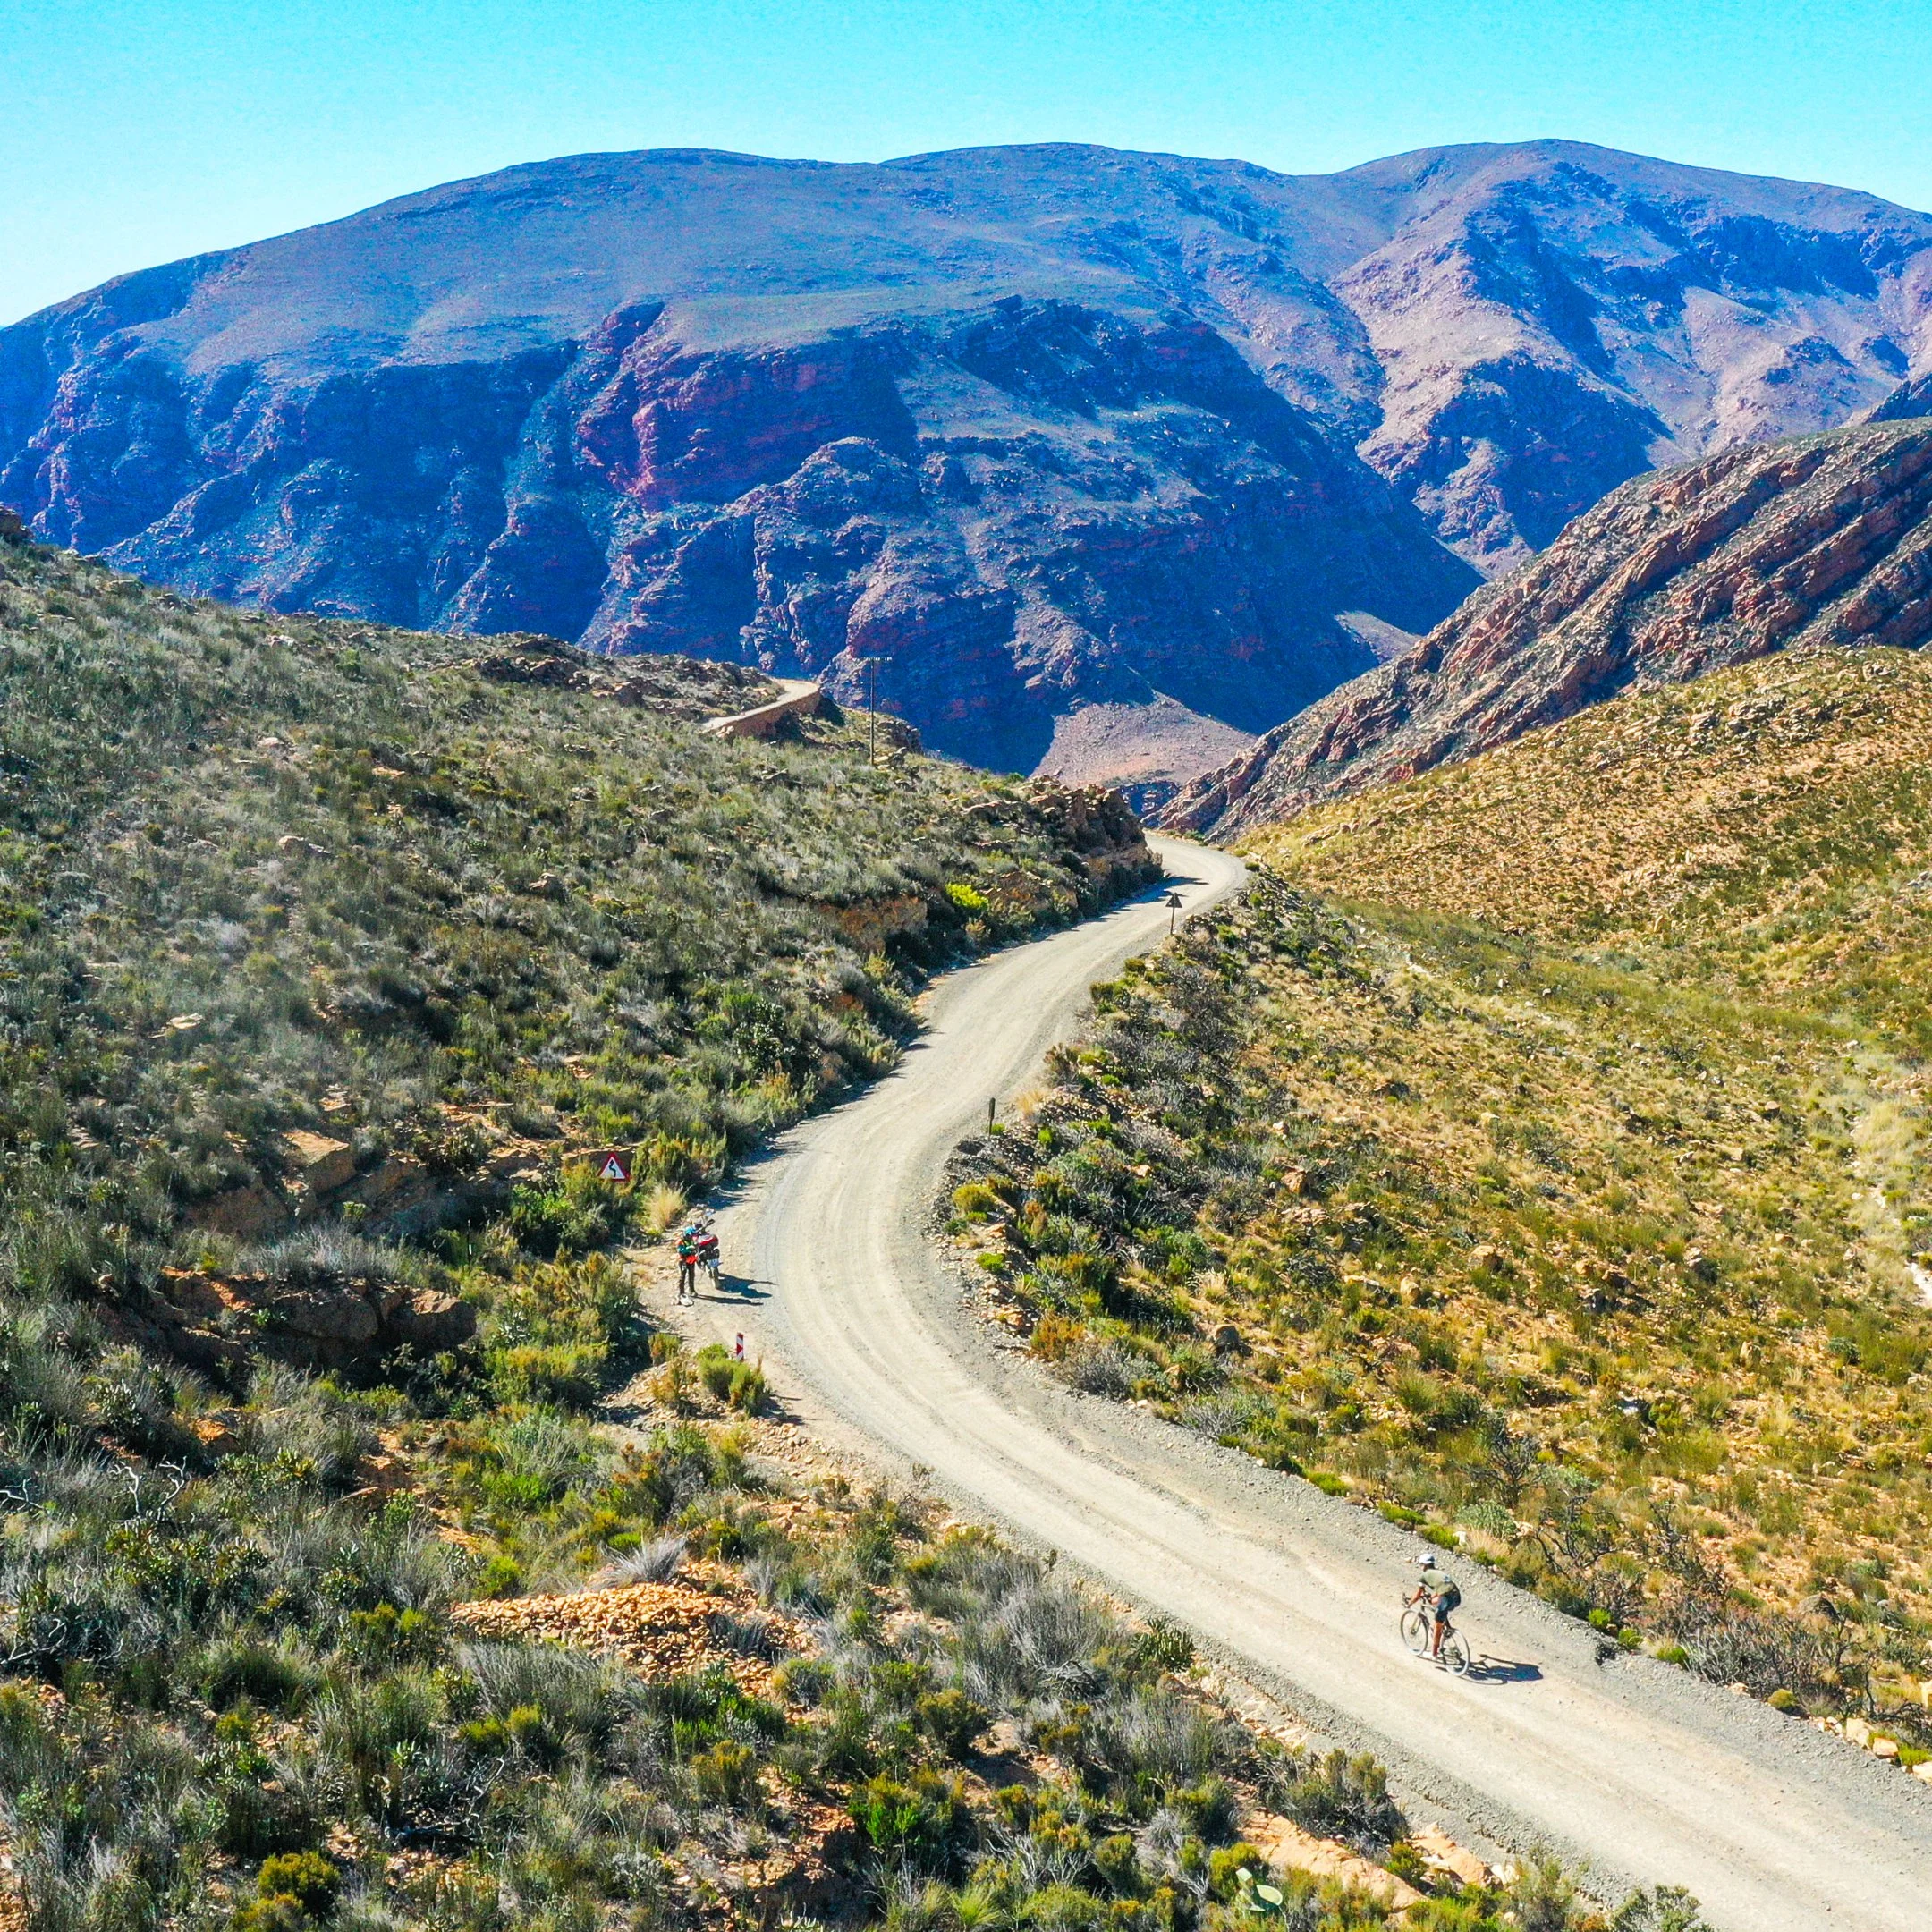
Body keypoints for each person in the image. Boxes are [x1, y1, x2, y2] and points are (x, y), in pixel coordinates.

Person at [1407, 1553, 1462, 1661]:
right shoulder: (1439, 1573)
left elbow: (1418, 1595)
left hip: (1446, 1597)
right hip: (1457, 1597)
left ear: (1424, 1565)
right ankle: (1447, 1630)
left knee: (1437, 1625)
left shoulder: (1424, 1576)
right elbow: (1440, 1588)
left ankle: (1434, 1654)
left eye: (1421, 1565)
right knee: (1435, 1603)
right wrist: (1432, 1597)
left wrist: (1410, 1603)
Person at [675, 1225, 699, 1305]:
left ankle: (692, 1290)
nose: (691, 1237)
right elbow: (680, 1250)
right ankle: (681, 1293)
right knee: (683, 1277)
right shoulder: (680, 1241)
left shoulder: (691, 1239)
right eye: (689, 1235)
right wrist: (689, 1248)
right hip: (683, 1260)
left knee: (692, 1275)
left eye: (691, 1235)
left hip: (691, 1260)